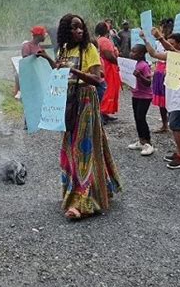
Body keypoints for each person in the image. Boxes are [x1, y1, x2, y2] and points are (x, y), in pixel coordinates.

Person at [36, 13, 121, 220]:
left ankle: (82, 202)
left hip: (85, 100)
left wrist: (74, 71)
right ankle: (97, 187)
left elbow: (98, 79)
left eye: (81, 27)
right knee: (69, 148)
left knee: (83, 150)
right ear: (66, 30)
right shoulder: (65, 49)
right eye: (74, 28)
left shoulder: (89, 49)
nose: (79, 31)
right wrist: (47, 58)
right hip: (69, 102)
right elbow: (60, 71)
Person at [141, 30, 180, 168]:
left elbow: (171, 49)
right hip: (172, 92)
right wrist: (145, 40)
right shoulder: (171, 54)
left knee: (176, 125)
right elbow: (153, 54)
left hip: (179, 94)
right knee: (178, 125)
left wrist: (160, 37)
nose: (168, 45)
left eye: (172, 43)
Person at [127, 44, 154, 156]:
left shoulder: (144, 65)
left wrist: (139, 76)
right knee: (137, 118)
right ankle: (141, 140)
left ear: (142, 54)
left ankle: (148, 143)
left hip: (145, 96)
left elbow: (148, 83)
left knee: (141, 117)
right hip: (136, 95)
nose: (131, 53)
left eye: (134, 52)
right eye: (131, 51)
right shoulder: (134, 64)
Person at [95, 22, 121, 124]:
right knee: (108, 90)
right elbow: (108, 56)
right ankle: (101, 114)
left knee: (107, 90)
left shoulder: (100, 40)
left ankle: (104, 114)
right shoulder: (104, 41)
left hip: (107, 67)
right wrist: (120, 63)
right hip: (108, 68)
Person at [152, 18, 173, 133]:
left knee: (169, 97)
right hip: (159, 70)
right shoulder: (157, 43)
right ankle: (164, 124)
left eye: (164, 27)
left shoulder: (172, 41)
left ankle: (172, 122)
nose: (162, 29)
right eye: (161, 27)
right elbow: (155, 55)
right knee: (161, 99)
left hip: (169, 69)